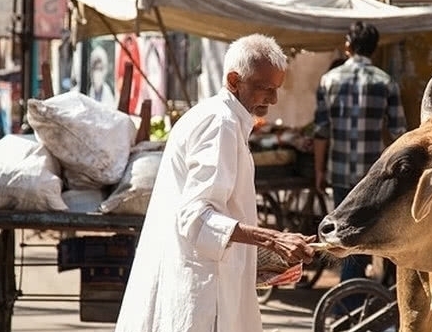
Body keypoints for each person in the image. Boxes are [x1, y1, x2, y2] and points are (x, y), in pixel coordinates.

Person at [114, 34, 316, 332]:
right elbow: (196, 218)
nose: (273, 100)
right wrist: (273, 239)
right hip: (204, 294)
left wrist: (263, 253)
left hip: (207, 286)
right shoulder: (220, 123)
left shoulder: (224, 120)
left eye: (276, 90)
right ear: (234, 80)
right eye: (266, 89)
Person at [313, 21, 407, 285]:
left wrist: (319, 171)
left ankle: (351, 297)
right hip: (373, 179)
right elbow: (402, 134)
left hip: (340, 172)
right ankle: (355, 297)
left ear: (348, 46)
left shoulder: (328, 80)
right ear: (374, 49)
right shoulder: (386, 82)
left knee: (345, 237)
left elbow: (321, 131)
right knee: (366, 235)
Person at [88, 45, 116, 109]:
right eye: (95, 68)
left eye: (100, 69)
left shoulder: (108, 93)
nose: (97, 73)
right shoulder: (86, 90)